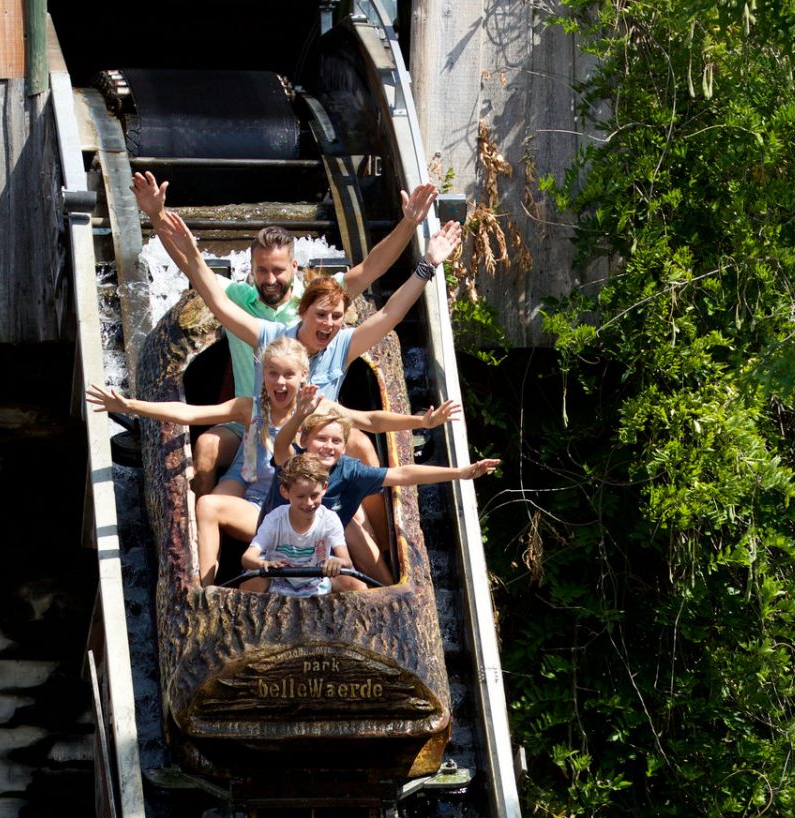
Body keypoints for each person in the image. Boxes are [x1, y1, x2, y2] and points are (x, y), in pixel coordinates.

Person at [131, 171, 441, 491]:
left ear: (294, 268)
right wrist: (156, 214)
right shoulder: (241, 304)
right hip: (250, 421)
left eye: (277, 270)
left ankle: (375, 529)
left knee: (361, 445)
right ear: (250, 270)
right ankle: (202, 529)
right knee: (207, 447)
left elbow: (370, 270)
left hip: (312, 423)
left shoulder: (317, 303)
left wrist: (408, 225)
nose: (270, 279)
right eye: (262, 270)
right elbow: (192, 266)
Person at [86, 353, 461, 586]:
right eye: (272, 375)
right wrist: (132, 405)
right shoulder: (251, 408)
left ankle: (392, 591)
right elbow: (190, 414)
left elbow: (370, 419)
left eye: (288, 376)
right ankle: (203, 591)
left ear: (303, 378)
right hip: (266, 505)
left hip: (317, 508)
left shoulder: (318, 409)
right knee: (208, 505)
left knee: (348, 518)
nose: (280, 383)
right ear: (262, 376)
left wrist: (422, 423)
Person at [265, 393, 500, 580]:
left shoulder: (350, 470)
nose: (328, 446)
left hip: (321, 546)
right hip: (280, 541)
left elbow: (404, 474)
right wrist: (299, 416)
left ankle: (387, 586)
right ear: (304, 440)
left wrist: (461, 473)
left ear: (345, 447)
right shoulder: (292, 461)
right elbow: (282, 441)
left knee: (350, 536)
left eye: (336, 441)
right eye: (321, 439)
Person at [238, 452, 359, 596]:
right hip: (278, 581)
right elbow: (247, 558)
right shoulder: (274, 519)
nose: (308, 503)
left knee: (355, 583)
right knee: (251, 581)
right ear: (285, 491)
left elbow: (347, 562)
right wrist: (262, 564)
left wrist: (338, 563)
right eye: (300, 496)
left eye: (314, 495)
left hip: (317, 581)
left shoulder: (329, 520)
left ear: (324, 487)